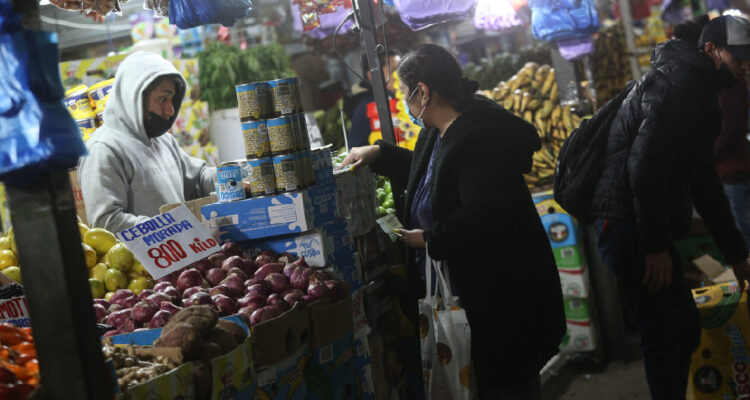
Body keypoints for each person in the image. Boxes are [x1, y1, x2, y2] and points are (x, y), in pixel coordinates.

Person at [340, 44, 565, 399]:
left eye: (403, 93)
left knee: (508, 387)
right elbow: (433, 174)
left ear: (423, 92)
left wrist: (430, 238)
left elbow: (486, 214)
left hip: (504, 303)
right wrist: (380, 154)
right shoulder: (440, 129)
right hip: (478, 300)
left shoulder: (479, 142)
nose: (404, 101)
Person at [591, 16, 750, 399]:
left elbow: (703, 181)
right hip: (627, 222)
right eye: (739, 57)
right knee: (664, 334)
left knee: (683, 328)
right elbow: (643, 166)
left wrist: (737, 255)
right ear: (711, 50)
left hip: (640, 220)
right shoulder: (681, 81)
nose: (746, 65)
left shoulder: (701, 87)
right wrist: (654, 246)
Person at [78, 51, 216, 233]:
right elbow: (107, 222)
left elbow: (197, 180)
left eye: (172, 99)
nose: (170, 110)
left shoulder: (163, 141)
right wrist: (173, 228)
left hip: (182, 253)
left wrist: (235, 176)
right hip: (143, 260)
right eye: (163, 99)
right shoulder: (104, 150)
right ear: (135, 96)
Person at [343, 51, 401, 149]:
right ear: (373, 76)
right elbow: (356, 149)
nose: (400, 74)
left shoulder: (409, 99)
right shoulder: (364, 109)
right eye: (393, 70)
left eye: (402, 68)